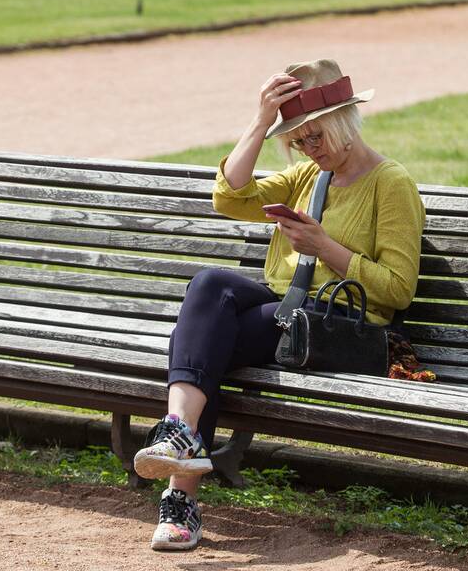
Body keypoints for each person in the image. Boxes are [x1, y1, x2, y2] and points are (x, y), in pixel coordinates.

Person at [133, 59, 426, 552]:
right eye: (299, 141)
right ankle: (180, 430)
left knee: (209, 342)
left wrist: (324, 247)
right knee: (208, 286)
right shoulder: (307, 175)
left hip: (341, 321)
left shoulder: (390, 183)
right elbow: (230, 196)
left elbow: (397, 290)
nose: (310, 150)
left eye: (317, 138)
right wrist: (259, 121)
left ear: (344, 122)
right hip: (285, 309)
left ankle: (180, 502)